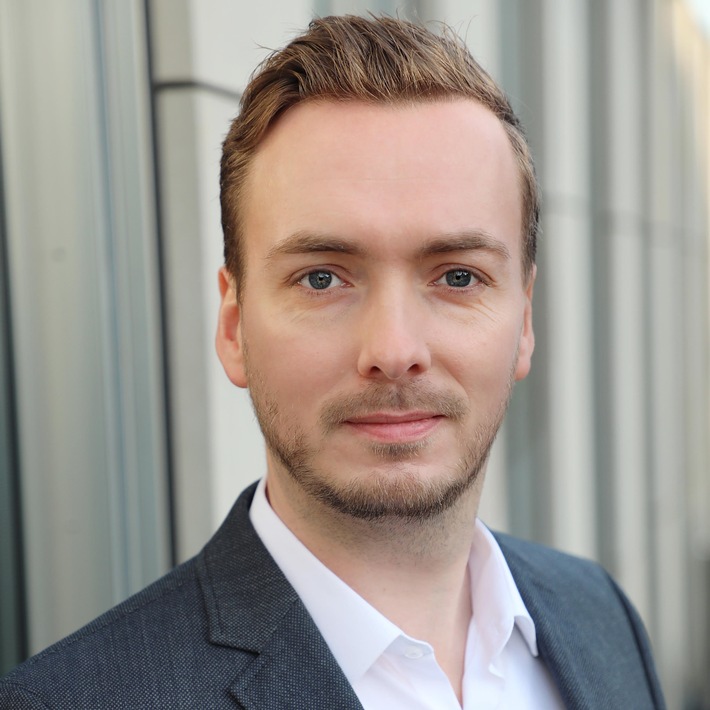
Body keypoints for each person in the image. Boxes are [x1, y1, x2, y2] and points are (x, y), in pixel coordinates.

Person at [0, 14, 665, 709]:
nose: (395, 352)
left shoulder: (601, 618)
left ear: (523, 322)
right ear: (233, 326)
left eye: (457, 276)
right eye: (322, 278)